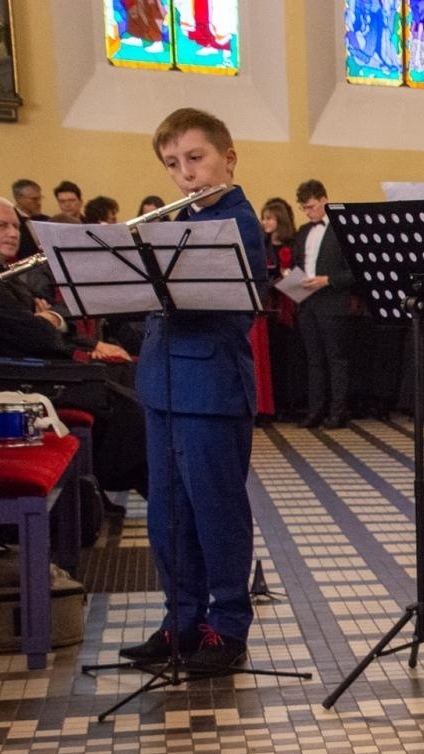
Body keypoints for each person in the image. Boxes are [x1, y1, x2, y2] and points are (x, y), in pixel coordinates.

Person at [118, 108, 266, 672]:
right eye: (174, 165)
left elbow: (234, 312)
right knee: (168, 516)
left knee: (216, 513)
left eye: (195, 159)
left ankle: (226, 630)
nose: (186, 175)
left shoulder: (238, 222)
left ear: (228, 158)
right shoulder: (174, 222)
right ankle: (180, 620)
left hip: (210, 388)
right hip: (163, 384)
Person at [0, 194, 147, 495]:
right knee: (132, 406)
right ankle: (121, 488)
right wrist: (50, 322)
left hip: (32, 365)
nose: (13, 233)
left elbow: (54, 314)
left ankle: (134, 490)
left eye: (15, 226)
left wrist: (54, 321)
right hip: (12, 379)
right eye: (1, 226)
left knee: (133, 378)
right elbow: (34, 333)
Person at [291, 179, 355, 429]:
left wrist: (327, 280)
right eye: (304, 209)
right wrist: (292, 278)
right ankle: (314, 411)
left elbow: (354, 272)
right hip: (306, 302)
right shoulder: (304, 232)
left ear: (325, 200)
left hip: (332, 301)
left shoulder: (342, 231)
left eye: (311, 207)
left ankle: (338, 412)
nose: (308, 213)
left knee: (336, 358)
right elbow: (298, 262)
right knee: (313, 359)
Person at [259, 197, 304, 420]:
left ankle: (289, 404)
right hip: (268, 309)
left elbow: (299, 275)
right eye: (263, 218)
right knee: (272, 359)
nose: (264, 222)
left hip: (289, 309)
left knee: (290, 359)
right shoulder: (263, 246)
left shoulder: (292, 246)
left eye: (269, 218)